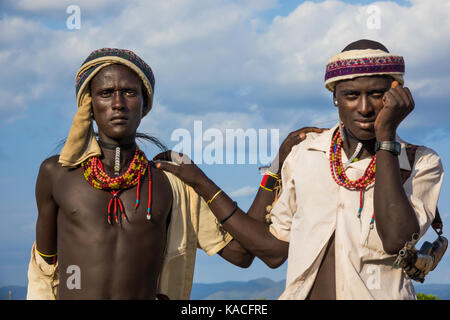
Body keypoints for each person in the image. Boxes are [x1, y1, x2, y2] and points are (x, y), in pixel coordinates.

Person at [154, 39, 444, 299]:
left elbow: (396, 240)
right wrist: (201, 182)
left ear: (396, 96)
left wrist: (386, 137)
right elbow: (273, 251)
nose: (365, 108)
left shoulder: (420, 162)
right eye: (352, 95)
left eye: (378, 94)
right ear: (335, 98)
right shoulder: (307, 154)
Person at [27, 48, 271, 300]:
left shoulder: (172, 182)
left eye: (129, 93)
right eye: (106, 93)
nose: (118, 104)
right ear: (89, 104)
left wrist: (271, 173)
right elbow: (45, 270)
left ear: (144, 103)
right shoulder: (56, 174)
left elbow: (240, 253)